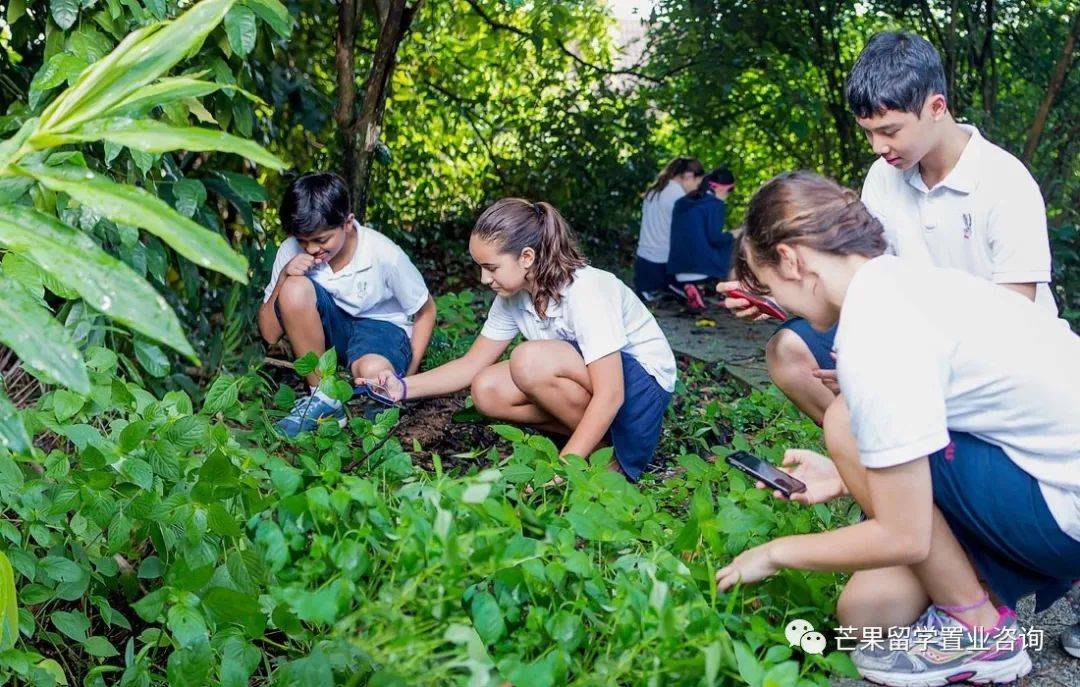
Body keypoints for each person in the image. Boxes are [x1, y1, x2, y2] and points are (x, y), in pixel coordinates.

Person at [713, 171, 1080, 687]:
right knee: (866, 614)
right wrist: (844, 475)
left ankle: (980, 630)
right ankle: (980, 587)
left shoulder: (876, 328)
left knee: (844, 419)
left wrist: (776, 553)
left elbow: (904, 537)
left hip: (1063, 513)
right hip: (1043, 474)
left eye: (772, 287)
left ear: (793, 260)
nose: (784, 308)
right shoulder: (902, 281)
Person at [719, 31, 1058, 426]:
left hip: (999, 355)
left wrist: (896, 366)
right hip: (910, 331)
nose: (877, 146)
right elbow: (863, 282)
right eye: (868, 131)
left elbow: (1011, 320)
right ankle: (876, 454)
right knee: (788, 352)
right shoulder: (884, 176)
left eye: (890, 131)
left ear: (936, 107)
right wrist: (778, 296)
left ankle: (915, 456)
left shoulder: (1004, 181)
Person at [361, 198, 677, 482]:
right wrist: (401, 388)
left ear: (527, 257)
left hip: (640, 394)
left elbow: (611, 392)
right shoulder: (514, 296)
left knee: (528, 360)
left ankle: (609, 461)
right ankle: (599, 447)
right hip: (601, 388)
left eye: (491, 267)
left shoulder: (586, 290)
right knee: (486, 390)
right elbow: (471, 364)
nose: (485, 279)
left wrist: (562, 469)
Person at [258, 172, 436, 437]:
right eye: (303, 241)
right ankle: (324, 397)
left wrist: (408, 378)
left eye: (321, 240)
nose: (310, 249)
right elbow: (270, 334)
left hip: (380, 329)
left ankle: (380, 401)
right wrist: (285, 276)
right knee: (294, 289)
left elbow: (426, 311)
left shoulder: (384, 254)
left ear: (347, 223)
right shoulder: (290, 250)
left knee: (374, 373)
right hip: (330, 329)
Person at [633, 157, 705, 301]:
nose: (697, 187)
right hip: (663, 265)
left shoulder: (655, 190)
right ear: (689, 176)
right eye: (698, 183)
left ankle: (657, 289)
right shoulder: (679, 196)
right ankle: (681, 286)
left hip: (643, 264)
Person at [667, 167, 736, 312]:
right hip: (702, 267)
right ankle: (726, 293)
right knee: (733, 242)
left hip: (678, 266)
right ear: (723, 189)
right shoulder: (715, 205)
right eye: (731, 190)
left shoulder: (682, 202)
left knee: (702, 244)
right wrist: (735, 234)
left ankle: (697, 288)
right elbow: (715, 239)